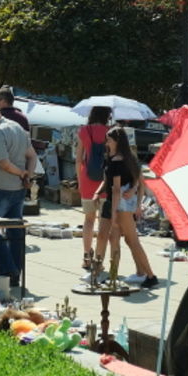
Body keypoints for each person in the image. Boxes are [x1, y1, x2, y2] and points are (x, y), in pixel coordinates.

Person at [0, 105, 37, 297]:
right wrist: (28, 175)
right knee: (15, 232)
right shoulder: (18, 129)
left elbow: (3, 163)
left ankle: (7, 269)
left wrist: (22, 173)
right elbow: (32, 156)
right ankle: (15, 273)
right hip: (17, 189)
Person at [89, 126, 158, 288]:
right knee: (116, 239)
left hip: (121, 206)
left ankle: (149, 275)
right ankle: (108, 274)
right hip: (119, 204)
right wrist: (99, 193)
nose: (106, 142)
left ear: (117, 142)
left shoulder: (118, 161)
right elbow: (120, 183)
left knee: (131, 240)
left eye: (109, 140)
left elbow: (117, 189)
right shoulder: (122, 158)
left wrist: (114, 214)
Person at [76, 106, 111, 270]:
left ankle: (86, 257)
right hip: (105, 181)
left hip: (87, 180)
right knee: (104, 222)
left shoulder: (84, 131)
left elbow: (78, 159)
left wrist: (79, 181)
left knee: (88, 220)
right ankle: (99, 259)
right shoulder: (111, 132)